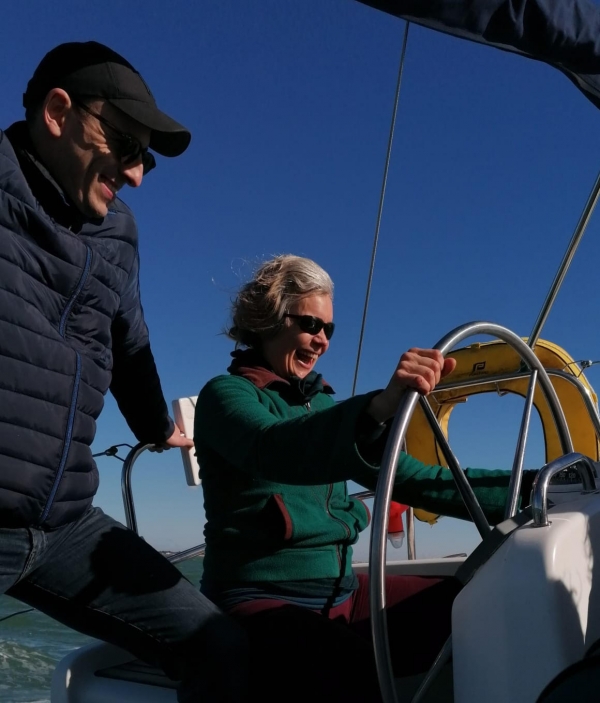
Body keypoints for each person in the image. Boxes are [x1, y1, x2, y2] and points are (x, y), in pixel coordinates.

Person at [0, 41, 247, 702]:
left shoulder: (118, 233)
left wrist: (158, 427)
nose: (137, 174)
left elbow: (130, 342)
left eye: (147, 158)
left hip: (64, 522)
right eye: (127, 145)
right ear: (59, 113)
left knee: (220, 649)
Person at [194, 254, 535, 702]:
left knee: (478, 606)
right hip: (256, 597)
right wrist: (374, 410)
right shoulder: (225, 396)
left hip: (344, 592)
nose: (321, 341)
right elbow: (273, 448)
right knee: (352, 674)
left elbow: (411, 479)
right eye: (310, 325)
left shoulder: (323, 407)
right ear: (268, 319)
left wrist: (533, 488)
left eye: (328, 329)